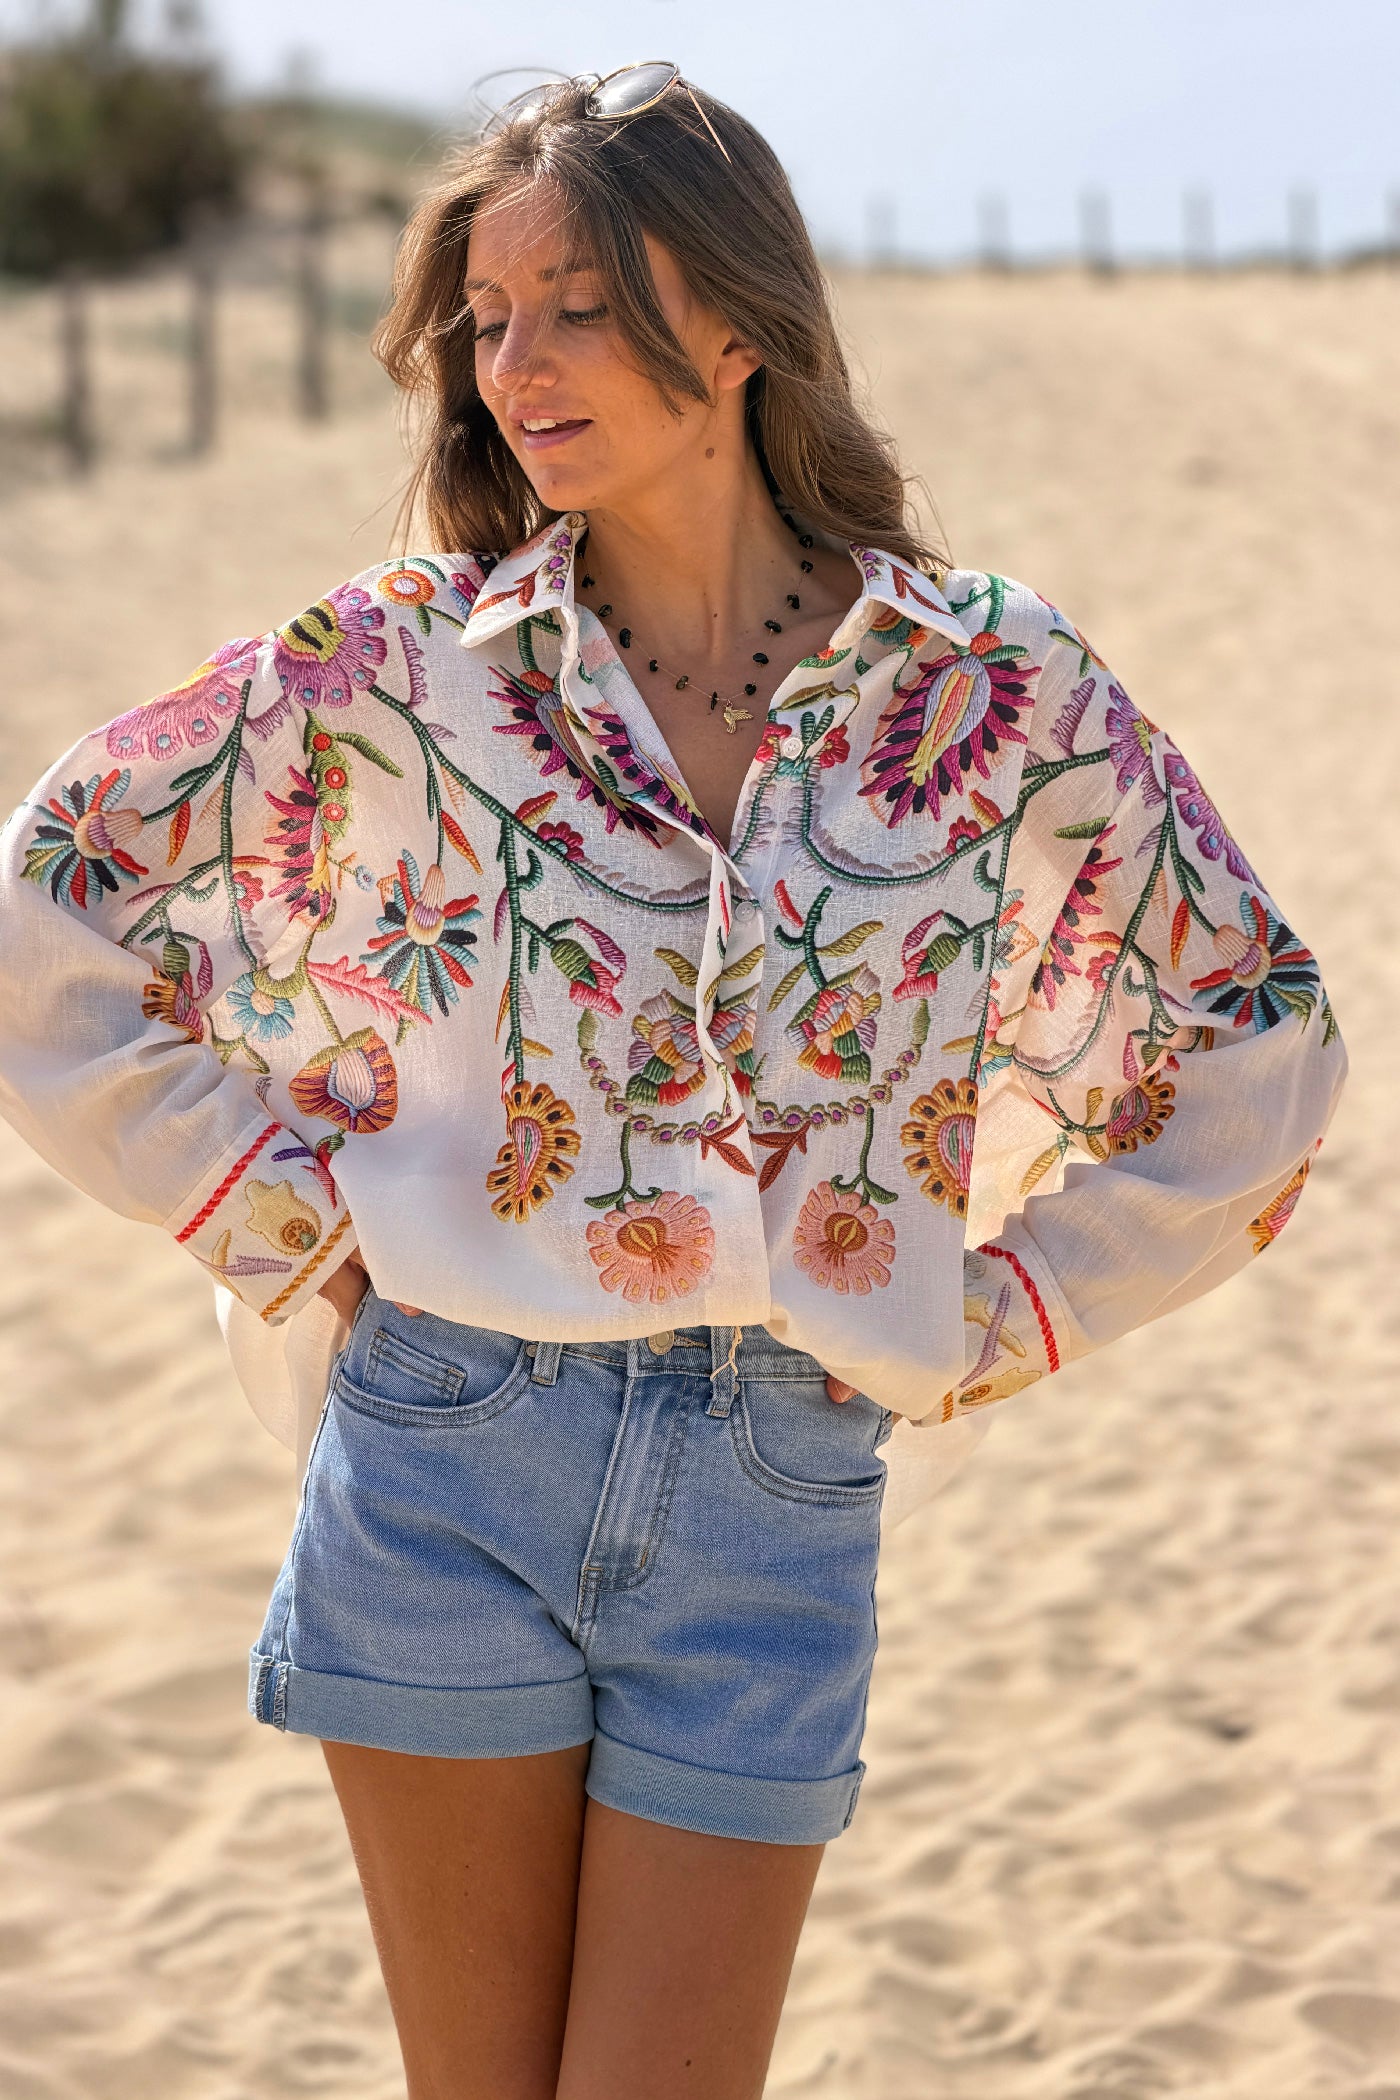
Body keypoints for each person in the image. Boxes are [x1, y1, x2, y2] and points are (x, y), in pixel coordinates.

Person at [0, 62, 1346, 2100]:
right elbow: (49, 908)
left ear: (729, 322)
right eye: (486, 318)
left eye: (573, 305)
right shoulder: (407, 667)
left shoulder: (988, 685)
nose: (512, 363)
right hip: (445, 1448)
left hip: (777, 1480)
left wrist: (990, 1319)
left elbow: (1260, 1035)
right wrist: (290, 1221)